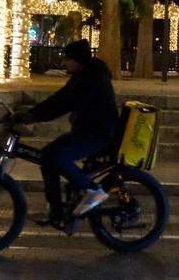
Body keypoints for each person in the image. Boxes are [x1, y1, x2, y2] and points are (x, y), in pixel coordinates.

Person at [17, 39, 118, 227]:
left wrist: (35, 117)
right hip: (85, 131)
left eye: (68, 59)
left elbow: (66, 103)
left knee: (58, 158)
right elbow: (60, 97)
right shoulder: (82, 75)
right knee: (46, 156)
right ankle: (56, 211)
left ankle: (94, 190)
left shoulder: (92, 79)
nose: (65, 63)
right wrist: (33, 113)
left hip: (98, 134)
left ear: (78, 59)